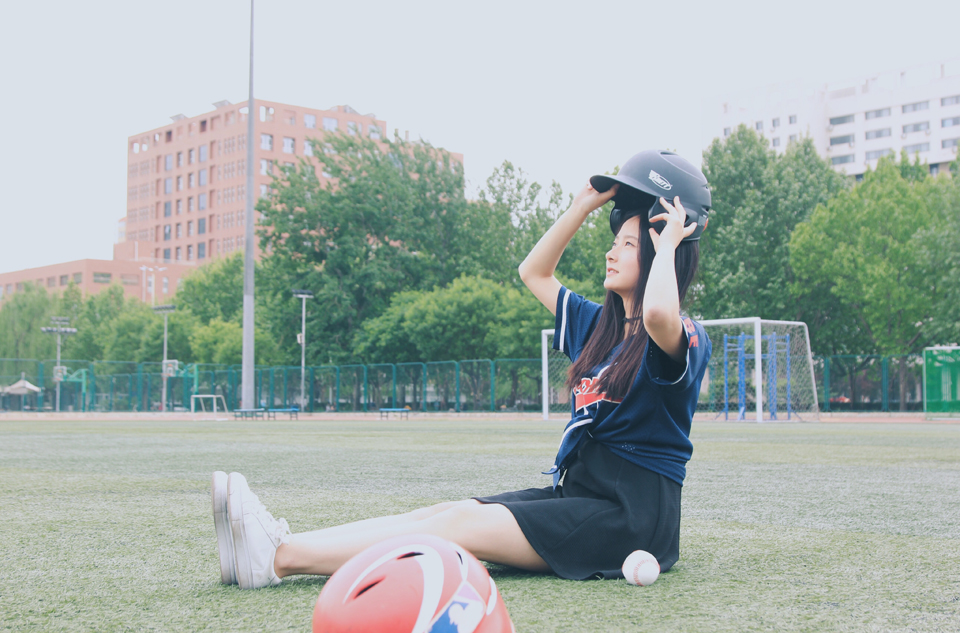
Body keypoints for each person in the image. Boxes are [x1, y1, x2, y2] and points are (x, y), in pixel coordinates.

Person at [212, 150, 713, 589]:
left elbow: (657, 314)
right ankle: (281, 543)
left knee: (458, 531)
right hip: (581, 494)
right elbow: (533, 272)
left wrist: (668, 244)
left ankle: (277, 560)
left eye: (628, 243)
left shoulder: (681, 334)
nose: (611, 250)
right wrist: (582, 205)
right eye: (616, 239)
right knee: (448, 514)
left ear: (657, 252)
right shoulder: (597, 326)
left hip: (631, 520)